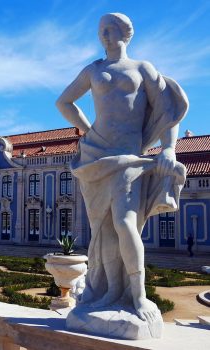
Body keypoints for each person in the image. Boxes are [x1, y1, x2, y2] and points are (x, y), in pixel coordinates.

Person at [56, 13, 188, 323]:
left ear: (125, 33)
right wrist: (88, 131)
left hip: (130, 156)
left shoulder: (142, 69)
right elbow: (64, 103)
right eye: (101, 30)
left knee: (125, 223)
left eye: (110, 29)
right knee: (102, 229)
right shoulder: (93, 70)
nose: (104, 35)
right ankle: (109, 289)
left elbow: (167, 110)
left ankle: (137, 294)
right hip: (96, 154)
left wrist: (169, 147)